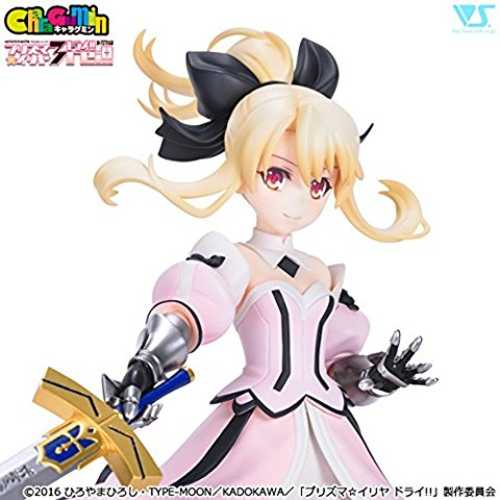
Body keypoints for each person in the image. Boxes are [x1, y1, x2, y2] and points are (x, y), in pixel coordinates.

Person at [94, 28, 437, 499]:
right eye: (277, 174)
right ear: (241, 171)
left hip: (330, 427)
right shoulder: (235, 258)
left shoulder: (321, 271)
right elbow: (190, 311)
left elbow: (336, 366)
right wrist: (146, 366)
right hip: (259, 426)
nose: (300, 199)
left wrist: (374, 378)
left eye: (318, 184)